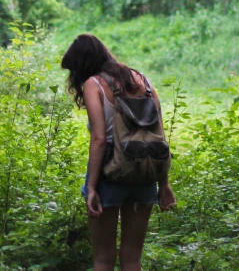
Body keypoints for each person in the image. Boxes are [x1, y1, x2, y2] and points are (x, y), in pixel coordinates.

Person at [61, 34, 176, 271]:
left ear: (83, 64)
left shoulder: (95, 84)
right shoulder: (143, 81)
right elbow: (159, 140)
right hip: (144, 174)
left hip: (109, 174)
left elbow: (99, 139)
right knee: (132, 258)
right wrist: (163, 184)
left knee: (103, 259)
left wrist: (92, 188)